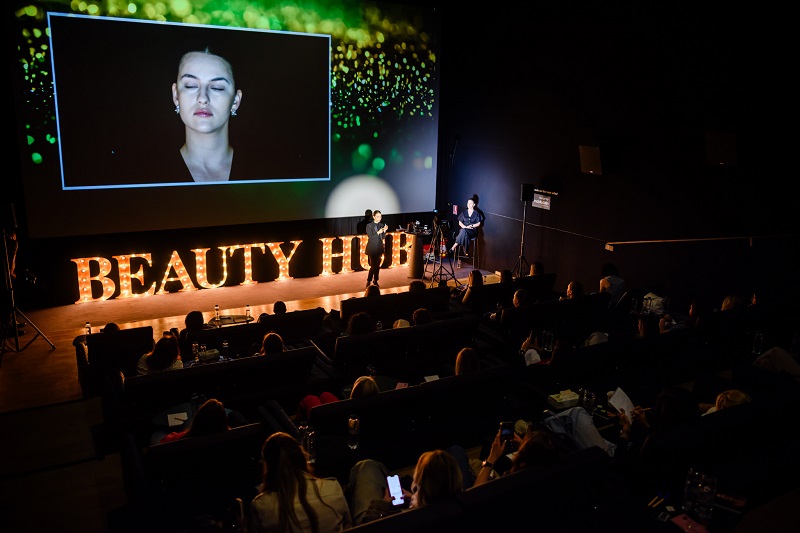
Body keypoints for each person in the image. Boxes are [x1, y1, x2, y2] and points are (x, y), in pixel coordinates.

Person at [248, 432, 352, 533]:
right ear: (301, 456)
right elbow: (349, 526)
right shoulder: (333, 487)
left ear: (267, 466)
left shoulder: (261, 506)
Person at [172, 49, 243, 182]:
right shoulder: (143, 172)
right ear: (176, 96)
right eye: (190, 86)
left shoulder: (269, 169)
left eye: (217, 87)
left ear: (235, 101)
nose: (203, 98)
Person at [346, 449, 463, 525]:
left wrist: (381, 506)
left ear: (418, 485)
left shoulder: (413, 520)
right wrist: (418, 499)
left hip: (373, 519)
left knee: (365, 466)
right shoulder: (461, 505)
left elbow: (368, 527)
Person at [159, 398, 232, 444]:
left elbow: (163, 442)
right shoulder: (231, 435)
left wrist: (182, 434)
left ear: (198, 419)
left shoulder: (181, 439)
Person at [365, 210, 388, 288]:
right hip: (372, 248)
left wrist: (384, 231)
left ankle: (375, 280)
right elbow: (371, 237)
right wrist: (378, 232)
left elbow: (383, 237)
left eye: (380, 216)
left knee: (377, 265)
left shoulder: (381, 225)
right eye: (377, 216)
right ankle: (369, 280)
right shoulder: (369, 226)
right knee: (373, 265)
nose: (379, 218)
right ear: (373, 217)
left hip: (379, 248)